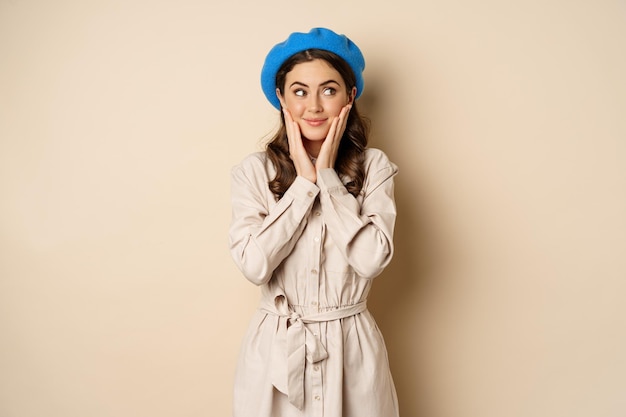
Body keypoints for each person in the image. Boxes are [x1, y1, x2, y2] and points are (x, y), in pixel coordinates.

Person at [229, 27, 399, 417]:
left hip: (352, 349)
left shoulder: (375, 168)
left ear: (350, 95)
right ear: (281, 99)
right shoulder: (253, 173)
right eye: (300, 91)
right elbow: (254, 266)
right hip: (275, 352)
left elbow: (372, 259)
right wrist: (304, 185)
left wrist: (327, 178)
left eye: (329, 89)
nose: (314, 106)